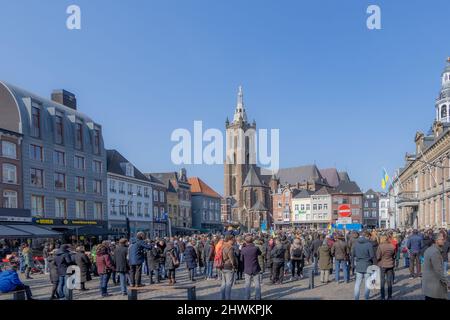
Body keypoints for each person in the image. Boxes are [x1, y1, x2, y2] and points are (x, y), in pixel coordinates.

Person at [422, 232, 448, 300]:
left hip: (429, 286)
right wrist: (448, 283)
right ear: (436, 240)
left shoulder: (430, 249)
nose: (444, 241)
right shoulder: (435, 252)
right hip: (434, 287)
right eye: (442, 239)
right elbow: (439, 271)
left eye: (444, 239)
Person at [352, 230, 375, 300]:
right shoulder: (369, 244)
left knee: (357, 283)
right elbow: (372, 255)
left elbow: (353, 254)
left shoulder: (355, 243)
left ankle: (356, 298)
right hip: (367, 264)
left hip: (359, 264)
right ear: (366, 236)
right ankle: (366, 297)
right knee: (367, 283)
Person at [240, 236, 262, 300]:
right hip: (255, 267)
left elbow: (241, 259)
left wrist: (243, 247)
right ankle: (258, 297)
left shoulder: (243, 249)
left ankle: (247, 297)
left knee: (247, 284)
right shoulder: (256, 248)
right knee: (257, 284)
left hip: (247, 268)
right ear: (252, 241)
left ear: (245, 241)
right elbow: (260, 253)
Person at [376, 235, 396, 300]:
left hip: (382, 265)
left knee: (382, 281)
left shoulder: (380, 246)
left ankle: (382, 297)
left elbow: (378, 257)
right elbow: (394, 255)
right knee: (389, 281)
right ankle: (389, 296)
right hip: (390, 264)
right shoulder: (392, 246)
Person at [220, 235, 237, 300]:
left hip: (223, 266)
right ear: (230, 240)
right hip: (229, 266)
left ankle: (222, 297)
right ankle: (228, 298)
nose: (234, 241)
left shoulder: (223, 246)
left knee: (223, 284)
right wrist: (234, 266)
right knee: (228, 284)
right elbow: (232, 259)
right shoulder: (229, 247)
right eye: (233, 240)